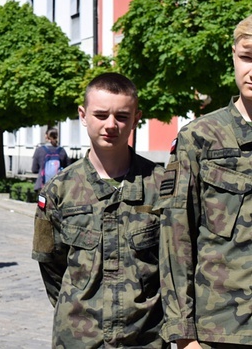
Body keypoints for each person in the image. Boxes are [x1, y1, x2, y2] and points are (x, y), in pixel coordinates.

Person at [31, 72, 166, 348]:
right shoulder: (58, 190)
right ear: (83, 115)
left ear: (136, 118)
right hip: (78, 338)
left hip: (145, 338)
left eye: (122, 116)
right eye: (101, 115)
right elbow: (50, 264)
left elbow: (173, 263)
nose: (111, 125)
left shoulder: (161, 185)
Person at [159, 15, 252, 348]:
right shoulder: (201, 138)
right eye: (247, 57)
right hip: (222, 330)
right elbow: (175, 237)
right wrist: (183, 336)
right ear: (233, 56)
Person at [31, 127, 69, 192]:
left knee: (43, 202)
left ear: (46, 136)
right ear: (56, 136)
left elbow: (34, 170)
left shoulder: (39, 150)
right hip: (58, 187)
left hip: (42, 186)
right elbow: (68, 169)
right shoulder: (62, 151)